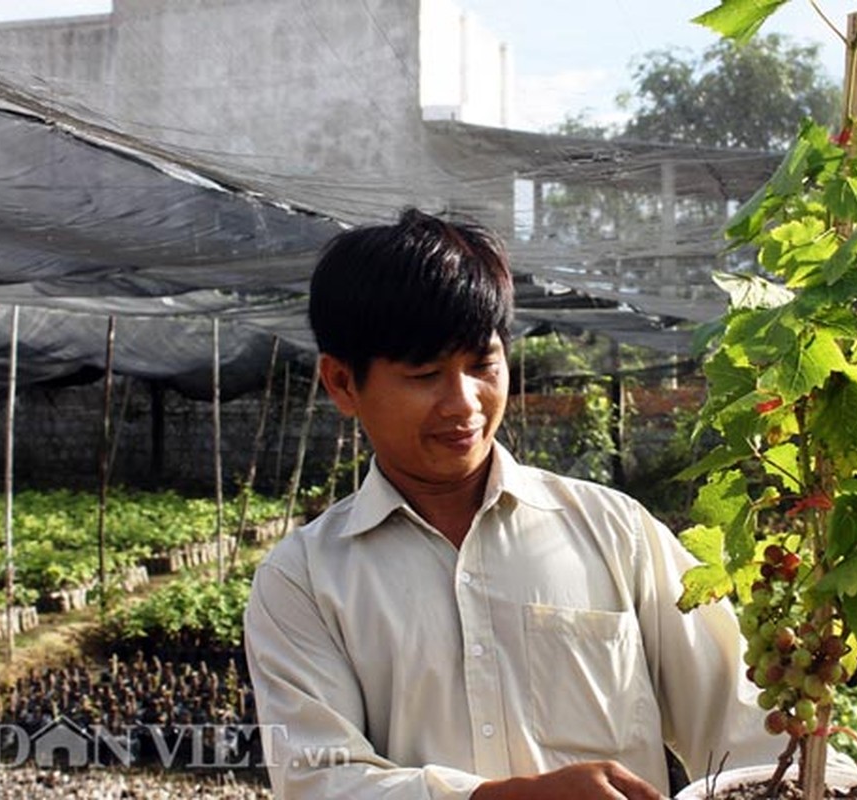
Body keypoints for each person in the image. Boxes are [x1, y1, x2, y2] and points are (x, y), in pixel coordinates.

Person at [244, 208, 786, 800]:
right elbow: (321, 780)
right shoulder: (302, 581)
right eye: (425, 374)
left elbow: (744, 727)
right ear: (342, 383)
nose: (464, 403)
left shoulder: (615, 531)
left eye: (482, 365)